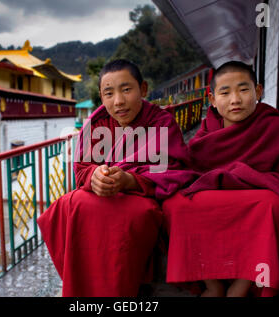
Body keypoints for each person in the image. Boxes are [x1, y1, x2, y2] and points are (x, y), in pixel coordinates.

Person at [162, 61, 279, 297]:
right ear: (212, 99)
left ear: (257, 92)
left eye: (243, 90)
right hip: (217, 195)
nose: (235, 99)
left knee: (270, 204)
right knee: (176, 205)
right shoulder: (207, 132)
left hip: (254, 197)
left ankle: (244, 281)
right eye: (225, 92)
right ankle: (211, 283)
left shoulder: (271, 126)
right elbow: (190, 171)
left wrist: (245, 177)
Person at [37, 59, 192, 297]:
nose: (118, 101)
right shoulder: (96, 124)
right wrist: (94, 177)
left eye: (126, 89)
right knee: (72, 204)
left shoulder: (161, 122)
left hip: (141, 198)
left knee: (133, 214)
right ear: (101, 97)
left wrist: (130, 180)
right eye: (109, 93)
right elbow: (82, 171)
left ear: (143, 89)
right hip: (103, 194)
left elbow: (175, 171)